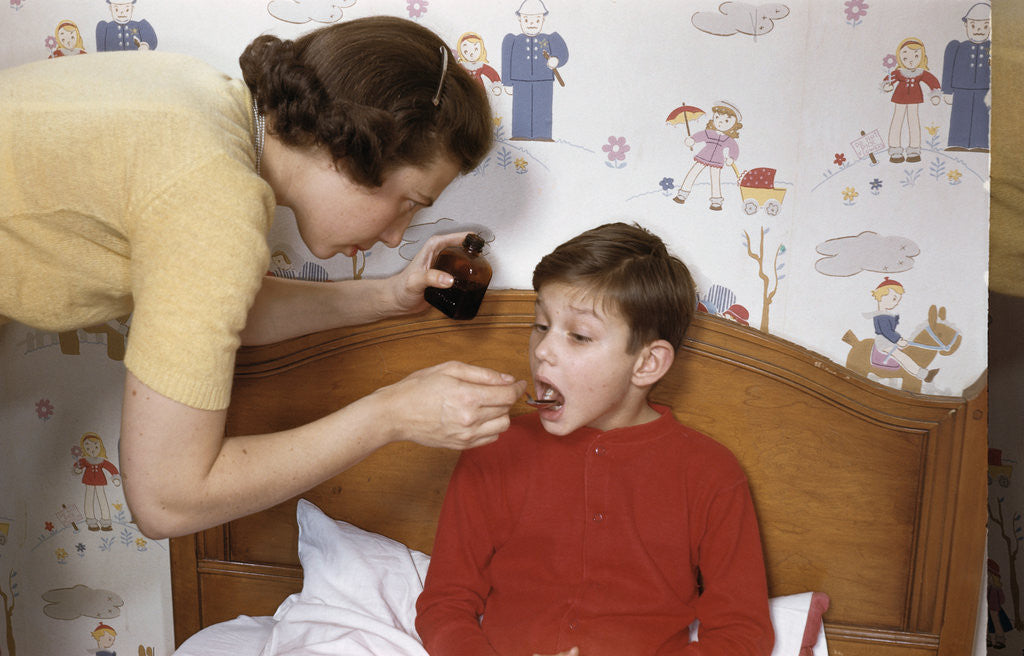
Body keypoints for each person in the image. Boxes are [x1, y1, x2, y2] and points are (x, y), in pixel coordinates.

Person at [0, 16, 526, 539]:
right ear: (353, 149)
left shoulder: (204, 102)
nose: (395, 237)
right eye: (408, 203)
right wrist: (390, 415)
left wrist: (388, 298)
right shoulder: (215, 198)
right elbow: (168, 499)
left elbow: (219, 311)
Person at [416, 222, 774, 656]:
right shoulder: (495, 446)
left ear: (646, 364)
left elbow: (741, 634)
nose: (543, 351)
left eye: (579, 336)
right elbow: (444, 604)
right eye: (540, 325)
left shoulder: (711, 474)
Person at [673, 101, 743, 211]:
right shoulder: (709, 133)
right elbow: (699, 136)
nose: (720, 122)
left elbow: (734, 148)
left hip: (717, 160)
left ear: (734, 125)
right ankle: (682, 194)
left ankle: (716, 202)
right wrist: (692, 140)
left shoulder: (728, 139)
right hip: (703, 156)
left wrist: (731, 158)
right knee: (693, 173)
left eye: (726, 120)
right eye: (717, 117)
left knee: (715, 179)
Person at [941, 2, 991, 152]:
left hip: (984, 91)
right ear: (966, 26)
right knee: (959, 116)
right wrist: (947, 91)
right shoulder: (957, 47)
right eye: (974, 26)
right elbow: (948, 69)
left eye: (985, 26)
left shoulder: (993, 48)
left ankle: (981, 144)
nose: (979, 31)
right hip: (961, 90)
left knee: (981, 118)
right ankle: (957, 143)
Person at [883, 37, 941, 163]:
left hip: (914, 100)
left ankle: (914, 149)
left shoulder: (921, 73)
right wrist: (887, 84)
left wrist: (935, 93)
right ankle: (895, 149)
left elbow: (932, 81)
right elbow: (889, 78)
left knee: (913, 122)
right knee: (897, 121)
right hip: (899, 99)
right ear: (899, 57)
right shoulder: (899, 72)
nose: (910, 61)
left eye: (915, 56)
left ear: (921, 57)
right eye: (905, 58)